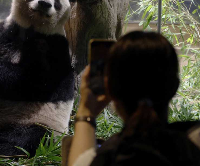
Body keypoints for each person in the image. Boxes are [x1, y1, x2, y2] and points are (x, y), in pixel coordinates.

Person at [68, 31, 200, 166]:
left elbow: (80, 161)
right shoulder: (193, 145)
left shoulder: (106, 158)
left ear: (111, 90)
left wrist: (86, 111)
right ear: (174, 87)